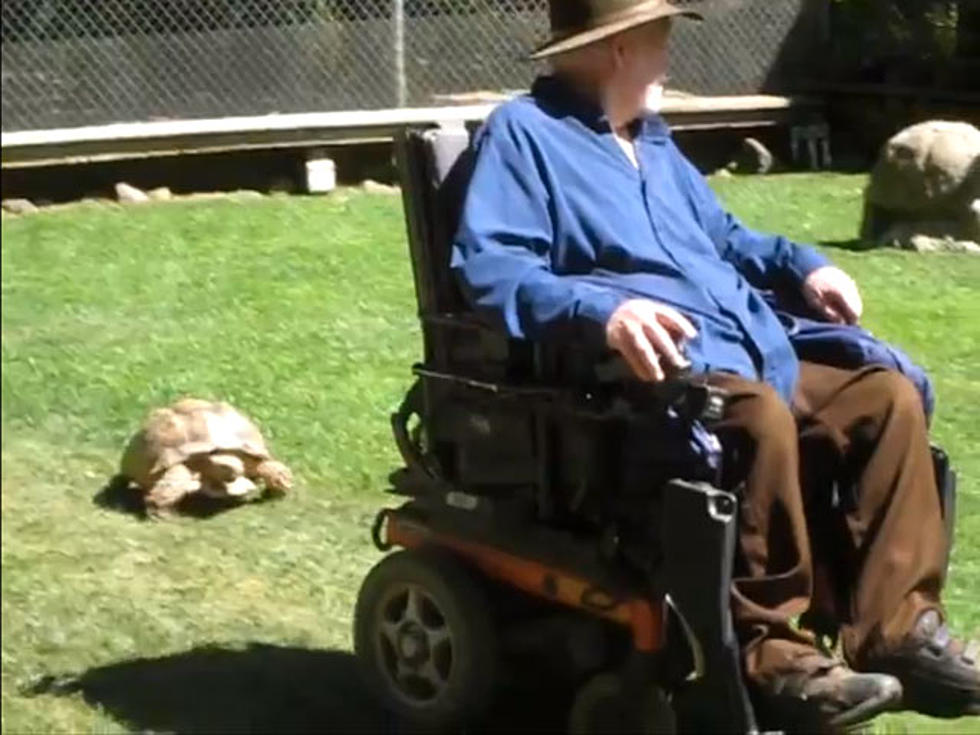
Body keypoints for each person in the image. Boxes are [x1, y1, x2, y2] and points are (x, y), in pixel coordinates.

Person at [450, 0, 980, 728]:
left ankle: (897, 630)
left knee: (884, 397)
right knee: (756, 416)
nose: (669, 58)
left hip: (752, 343)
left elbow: (725, 237)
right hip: (648, 371)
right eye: (661, 40)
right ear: (618, 50)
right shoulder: (526, 135)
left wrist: (803, 263)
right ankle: (771, 653)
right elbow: (494, 266)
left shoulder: (653, 144)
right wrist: (603, 314)